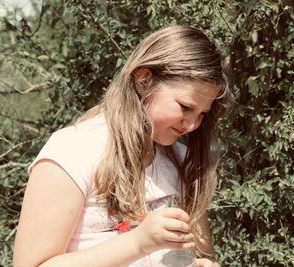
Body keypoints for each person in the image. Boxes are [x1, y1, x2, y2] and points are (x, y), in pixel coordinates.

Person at [13, 25, 229, 267]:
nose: (191, 124)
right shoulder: (73, 152)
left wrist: (204, 263)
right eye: (185, 106)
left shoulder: (182, 160)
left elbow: (203, 252)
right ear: (144, 80)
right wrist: (139, 242)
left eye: (202, 114)